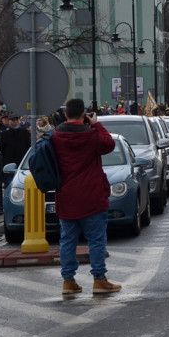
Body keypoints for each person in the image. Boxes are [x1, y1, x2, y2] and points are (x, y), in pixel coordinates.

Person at [51, 98, 121, 295]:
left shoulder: (55, 137)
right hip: (92, 196)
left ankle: (68, 281)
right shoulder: (91, 136)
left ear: (65, 115)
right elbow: (109, 144)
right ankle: (99, 280)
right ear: (83, 115)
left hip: (66, 196)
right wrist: (96, 123)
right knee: (96, 240)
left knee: (67, 241)